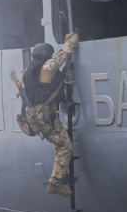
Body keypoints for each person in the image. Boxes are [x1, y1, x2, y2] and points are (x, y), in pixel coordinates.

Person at [23, 31, 83, 197]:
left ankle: (61, 174)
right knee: (65, 146)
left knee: (61, 144)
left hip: (35, 117)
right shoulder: (47, 67)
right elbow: (63, 55)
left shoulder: (28, 70)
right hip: (45, 118)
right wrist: (74, 38)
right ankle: (55, 184)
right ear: (46, 55)